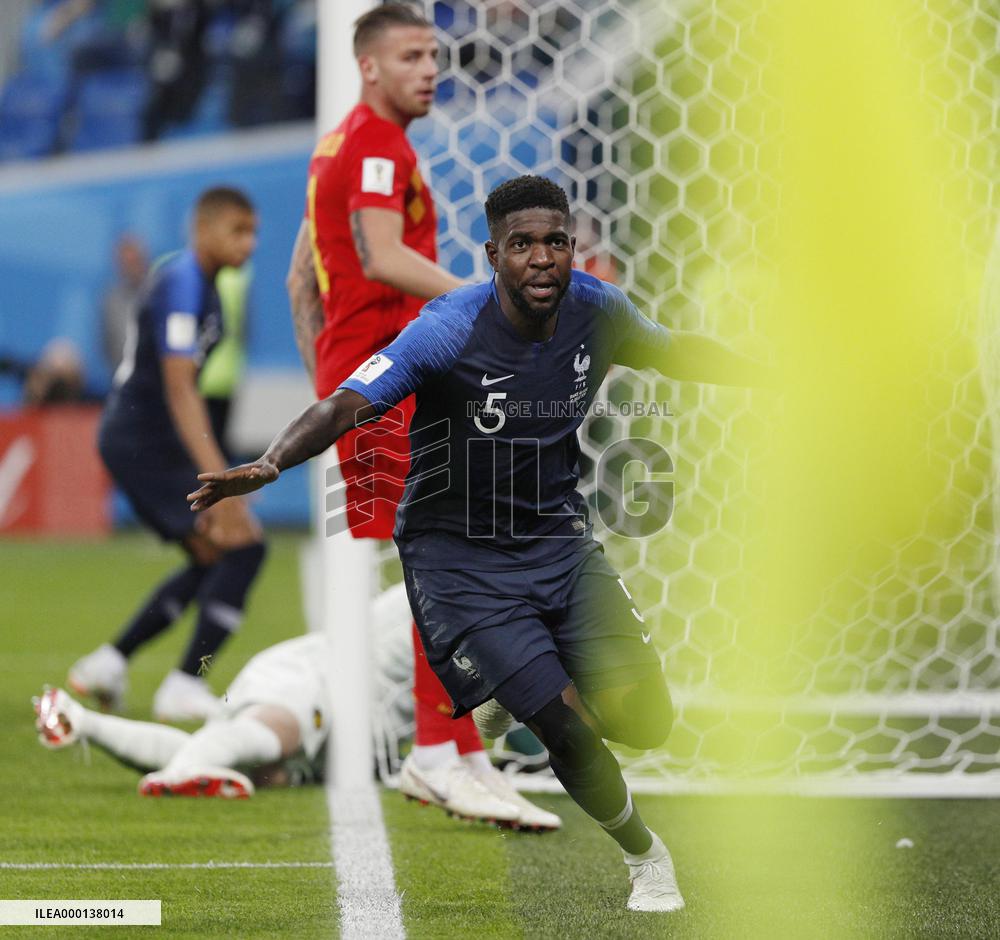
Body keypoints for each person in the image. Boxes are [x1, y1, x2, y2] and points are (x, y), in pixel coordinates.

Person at [189, 175, 768, 912]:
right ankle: (647, 859)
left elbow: (675, 350)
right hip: (459, 560)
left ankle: (508, 692)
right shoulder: (448, 327)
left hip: (558, 540)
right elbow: (345, 404)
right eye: (521, 245)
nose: (541, 259)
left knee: (645, 720)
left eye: (555, 242)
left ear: (570, 250)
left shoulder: (599, 310)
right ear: (493, 254)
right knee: (563, 725)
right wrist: (270, 463)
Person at [283, 2, 532, 825]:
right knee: (444, 552)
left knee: (459, 544)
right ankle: (434, 751)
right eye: (413, 55)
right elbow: (383, 256)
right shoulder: (377, 147)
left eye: (434, 54)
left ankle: (459, 749)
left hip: (373, 375)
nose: (430, 68)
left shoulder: (344, 144)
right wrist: (489, 301)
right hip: (384, 381)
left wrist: (329, 370)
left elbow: (302, 279)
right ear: (368, 66)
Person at [35, 584, 557, 827]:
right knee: (276, 732)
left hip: (342, 727)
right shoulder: (460, 588)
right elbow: (491, 706)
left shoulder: (488, 594)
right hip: (313, 679)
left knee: (253, 763)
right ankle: (184, 771)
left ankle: (82, 720)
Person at [69, 187, 266, 723]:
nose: (248, 243)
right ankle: (185, 682)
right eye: (237, 230)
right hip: (144, 442)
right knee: (242, 547)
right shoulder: (182, 281)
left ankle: (109, 662)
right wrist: (220, 479)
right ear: (203, 230)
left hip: (149, 441)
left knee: (213, 556)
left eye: (253, 232)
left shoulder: (204, 287)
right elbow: (181, 388)